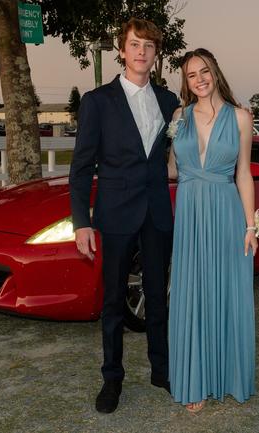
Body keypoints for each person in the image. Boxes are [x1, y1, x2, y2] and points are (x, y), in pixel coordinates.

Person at [69, 18, 179, 414]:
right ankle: (112, 379)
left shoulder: (169, 101)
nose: (142, 51)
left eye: (149, 45)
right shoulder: (97, 101)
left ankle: (162, 370)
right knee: (114, 302)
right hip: (115, 215)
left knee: (158, 297)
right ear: (122, 49)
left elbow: (173, 157)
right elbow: (81, 167)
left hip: (157, 214)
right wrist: (81, 221)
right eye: (135, 44)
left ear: (155, 53)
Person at [167, 48, 257, 413]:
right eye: (191, 75)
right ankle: (196, 381)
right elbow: (172, 169)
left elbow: (244, 173)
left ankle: (229, 376)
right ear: (185, 82)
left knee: (226, 293)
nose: (199, 79)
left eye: (204, 71)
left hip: (225, 213)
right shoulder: (179, 117)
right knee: (192, 295)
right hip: (189, 216)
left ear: (215, 72)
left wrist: (250, 226)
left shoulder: (240, 118)